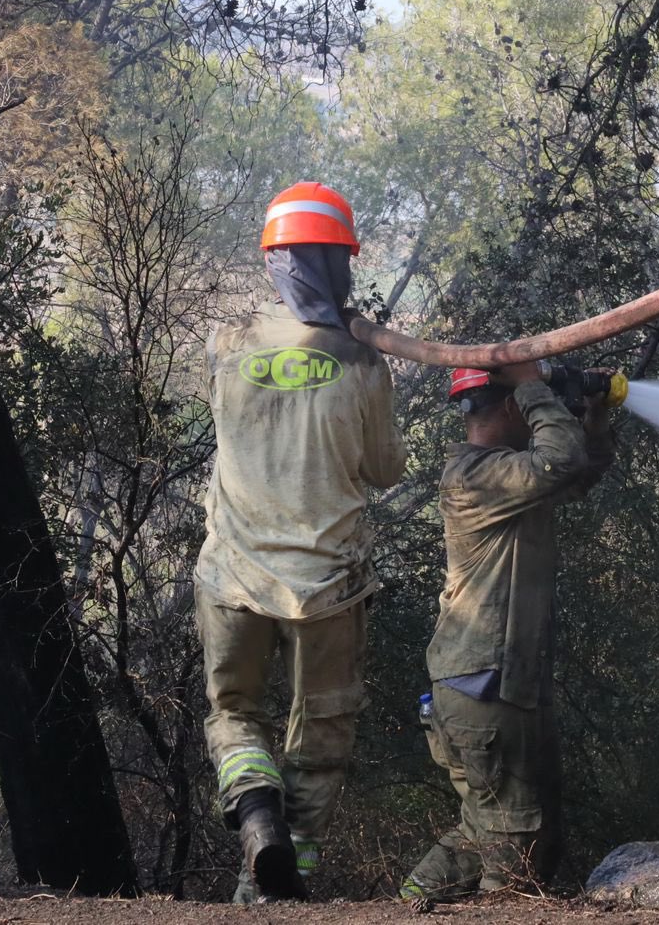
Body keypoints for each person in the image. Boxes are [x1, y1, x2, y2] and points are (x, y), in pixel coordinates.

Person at [196, 181, 407, 902]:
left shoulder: (225, 348)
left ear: (273, 262)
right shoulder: (364, 362)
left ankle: (256, 815)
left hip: (232, 576)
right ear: (342, 263)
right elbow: (383, 470)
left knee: (234, 713)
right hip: (329, 587)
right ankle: (282, 893)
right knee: (319, 745)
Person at [399, 362, 616, 901]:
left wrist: (596, 416)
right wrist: (533, 383)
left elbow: (579, 469)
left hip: (490, 685)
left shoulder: (508, 477)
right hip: (485, 685)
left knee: (490, 829)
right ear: (513, 406)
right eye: (526, 399)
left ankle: (410, 901)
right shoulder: (476, 476)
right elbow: (560, 459)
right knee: (517, 847)